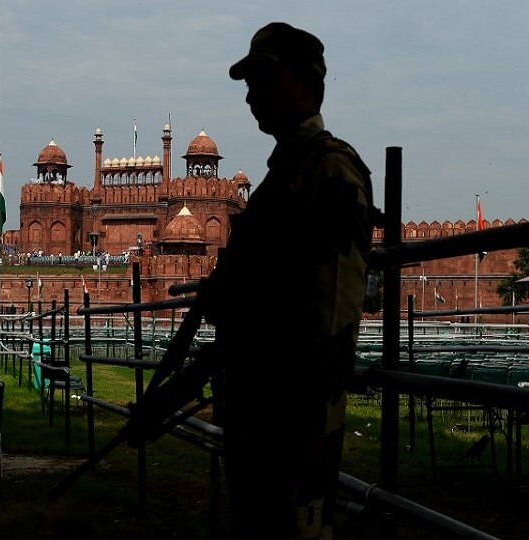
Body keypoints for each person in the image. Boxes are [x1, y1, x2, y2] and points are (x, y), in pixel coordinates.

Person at [126, 21, 376, 540]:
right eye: (248, 82)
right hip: (255, 416)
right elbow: (248, 318)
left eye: (264, 78)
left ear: (305, 83)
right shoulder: (279, 180)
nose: (251, 95)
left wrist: (306, 425)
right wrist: (172, 397)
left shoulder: (330, 173)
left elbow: (330, 316)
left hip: (292, 422)